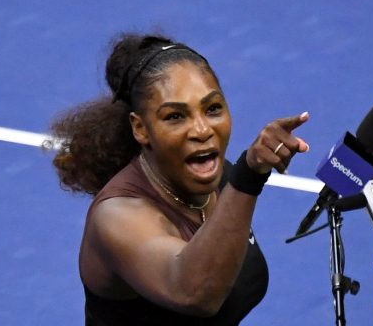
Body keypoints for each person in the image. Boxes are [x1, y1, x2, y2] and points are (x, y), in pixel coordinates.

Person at [49, 33, 310, 325]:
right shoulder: (116, 218)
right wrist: (248, 177)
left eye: (212, 109)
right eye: (175, 116)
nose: (202, 130)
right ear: (140, 128)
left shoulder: (221, 178)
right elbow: (195, 293)